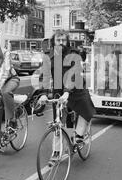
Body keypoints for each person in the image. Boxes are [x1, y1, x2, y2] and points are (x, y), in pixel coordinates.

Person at [38, 30, 96, 162]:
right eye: (58, 40)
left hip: (77, 88)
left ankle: (79, 135)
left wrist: (67, 91)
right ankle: (56, 151)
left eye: (63, 40)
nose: (61, 43)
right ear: (53, 42)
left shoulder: (73, 54)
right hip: (59, 90)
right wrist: (43, 94)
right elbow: (45, 76)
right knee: (58, 121)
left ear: (67, 41)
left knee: (86, 109)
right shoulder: (48, 56)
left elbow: (73, 73)